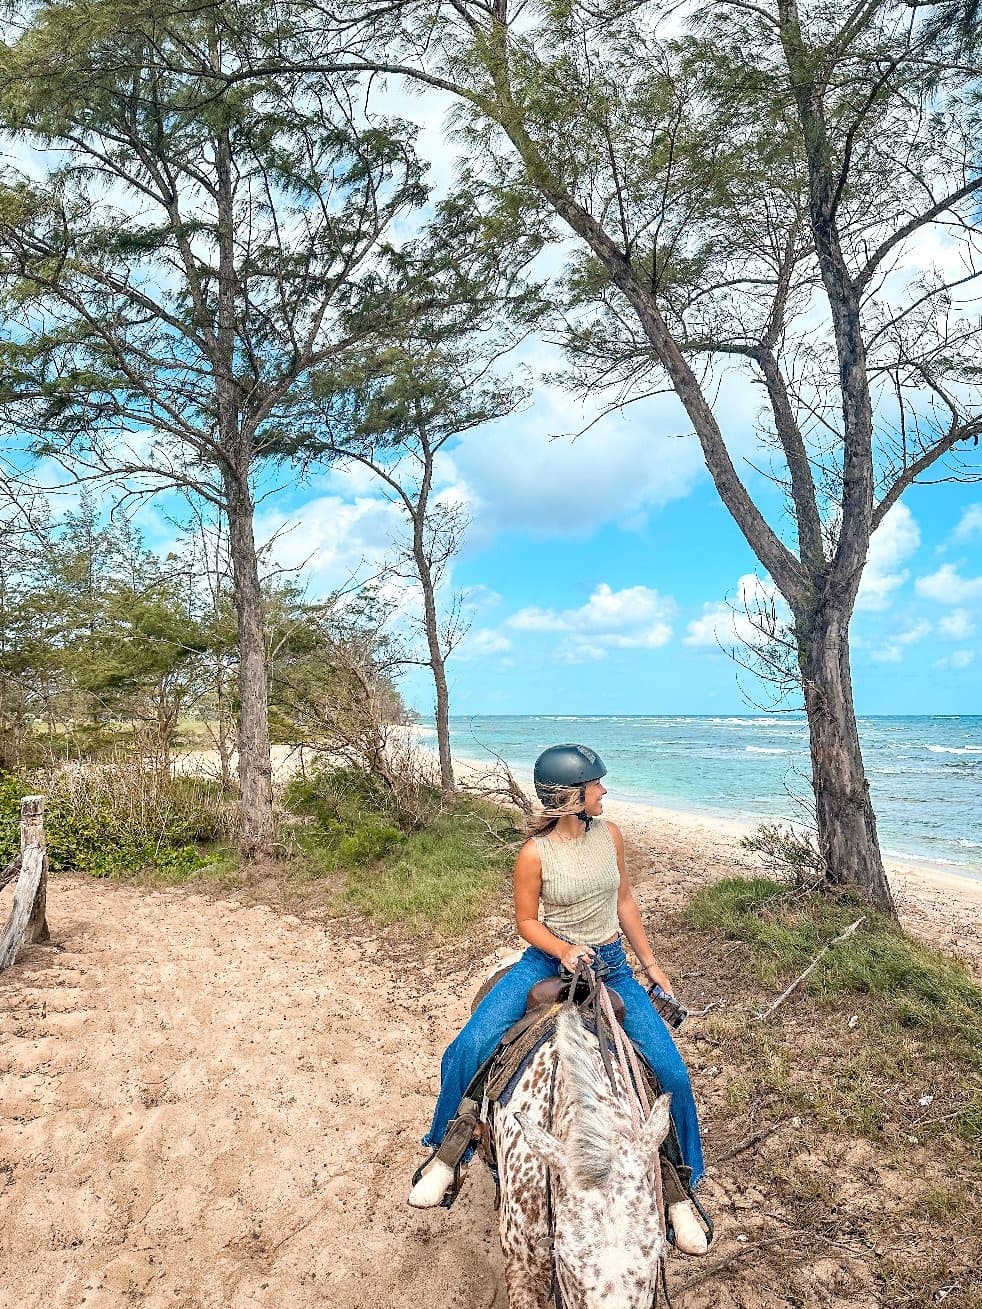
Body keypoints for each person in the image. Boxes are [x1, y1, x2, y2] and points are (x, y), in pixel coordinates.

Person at [408, 743, 708, 1255]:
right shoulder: (534, 854)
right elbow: (526, 921)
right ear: (570, 795)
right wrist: (564, 950)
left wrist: (651, 966)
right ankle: (446, 1153)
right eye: (595, 784)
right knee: (467, 1047)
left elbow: (624, 901)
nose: (604, 790)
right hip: (547, 962)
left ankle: (680, 1188)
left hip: (611, 965)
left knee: (672, 1074)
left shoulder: (610, 835)